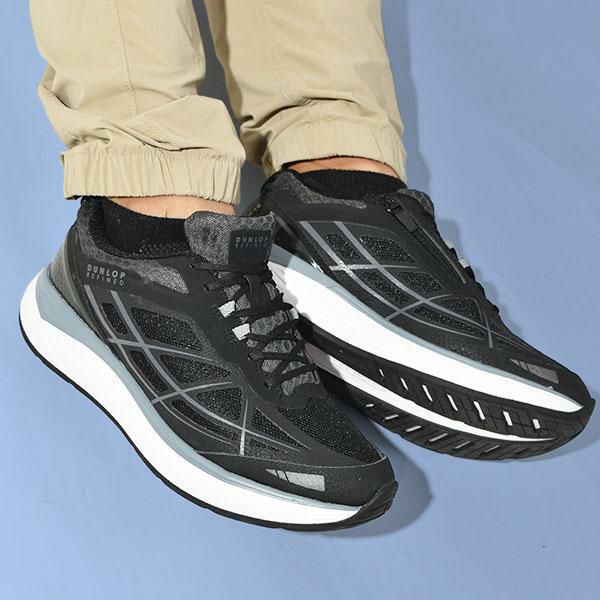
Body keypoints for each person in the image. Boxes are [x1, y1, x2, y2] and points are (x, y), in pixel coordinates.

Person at [22, 1, 593, 529]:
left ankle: (333, 167)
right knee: (144, 134)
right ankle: (144, 225)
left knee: (330, 109)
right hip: (136, 245)